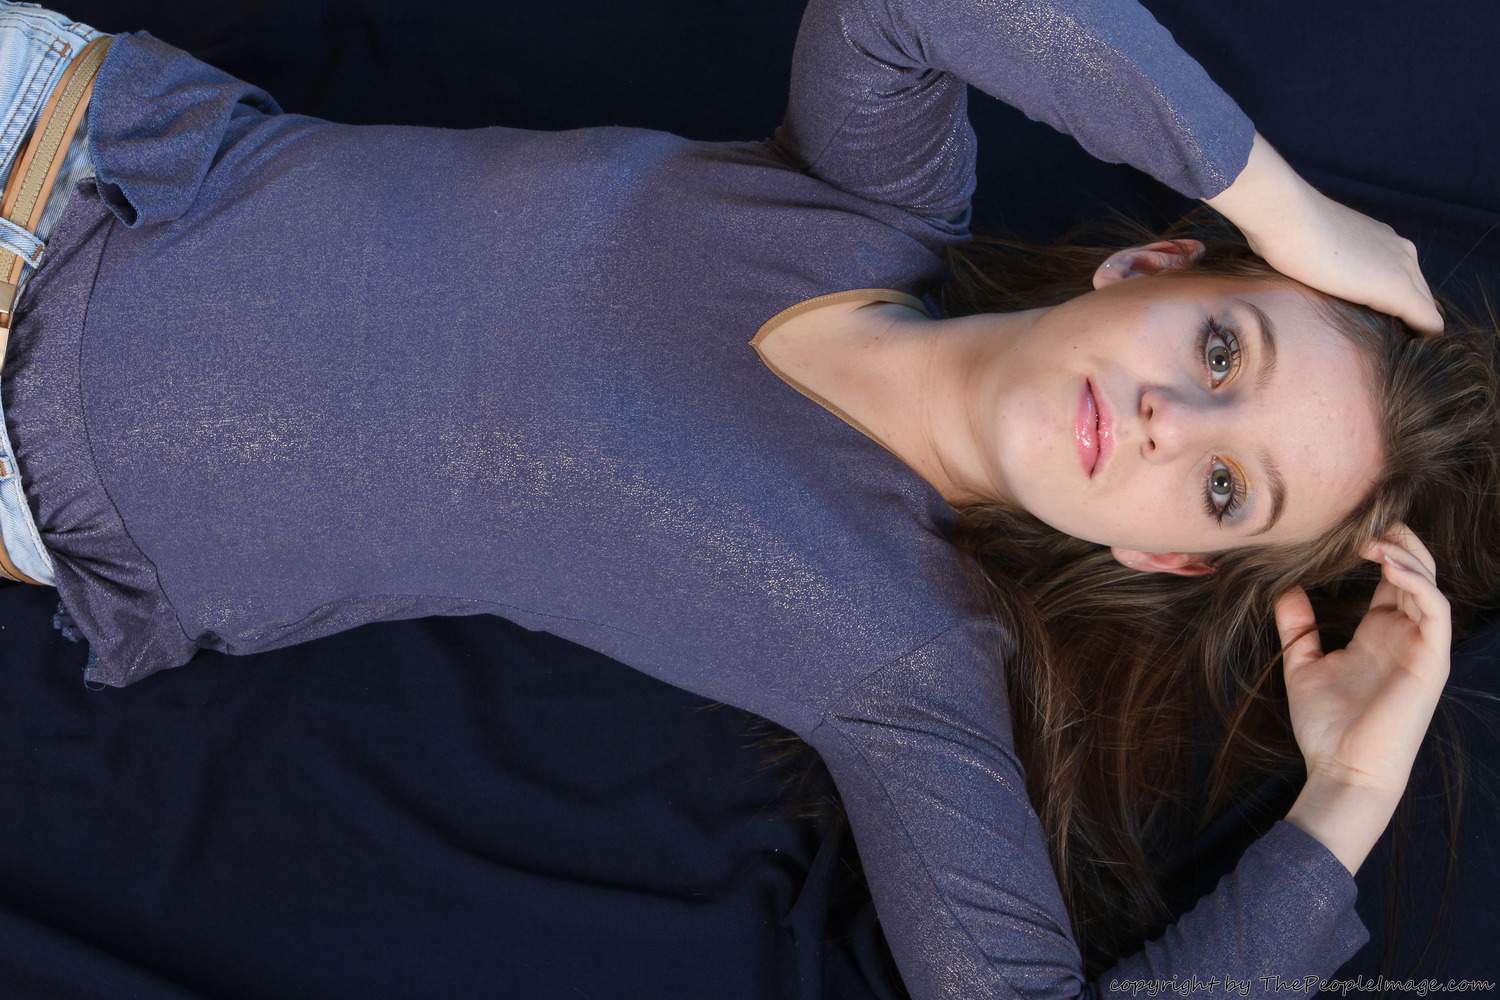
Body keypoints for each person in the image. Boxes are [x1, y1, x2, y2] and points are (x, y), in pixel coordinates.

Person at [0, 0, 1493, 995]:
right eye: (1223, 351)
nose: (1171, 422)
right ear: (1152, 267)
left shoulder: (906, 660)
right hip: (57, 139)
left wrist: (1345, 804)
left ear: (1167, 556)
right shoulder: (870, 194)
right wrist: (1287, 207)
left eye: (1226, 487)